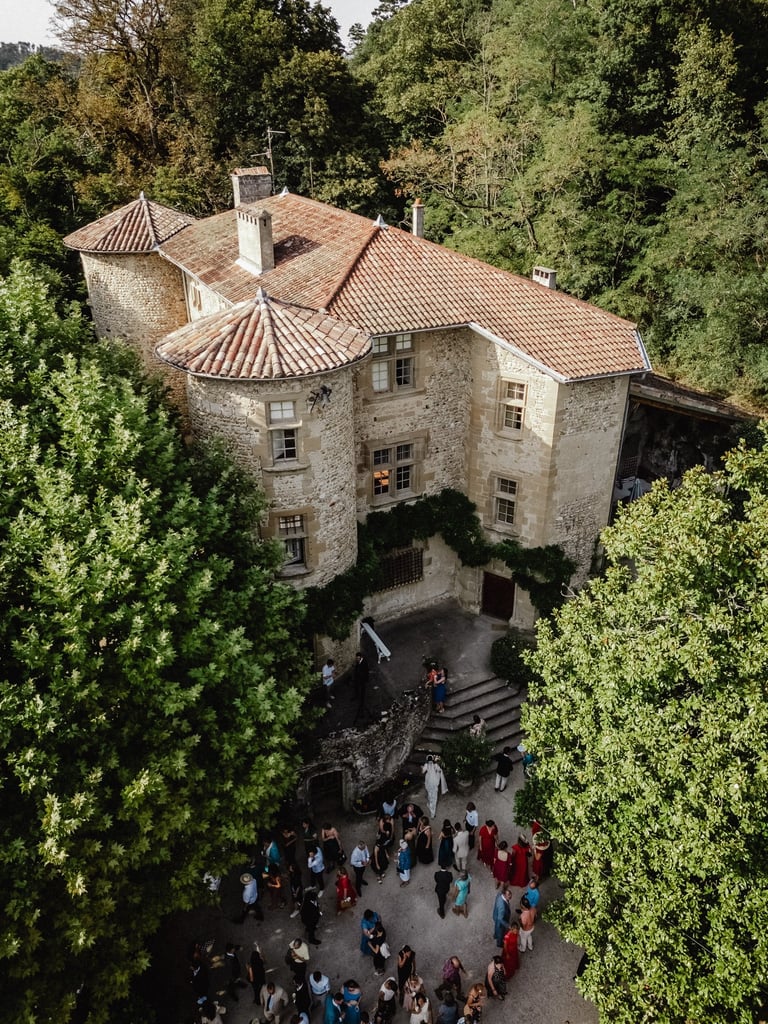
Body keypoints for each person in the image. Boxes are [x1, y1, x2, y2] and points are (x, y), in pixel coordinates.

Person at [352, 652, 370, 723]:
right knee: (356, 687)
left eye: (358, 658)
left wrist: (365, 679)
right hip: (358, 678)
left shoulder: (364, 662)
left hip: (362, 679)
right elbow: (357, 667)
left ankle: (362, 704)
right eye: (356, 658)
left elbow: (366, 672)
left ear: (361, 657)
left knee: (362, 691)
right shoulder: (358, 661)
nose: (357, 659)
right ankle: (356, 696)